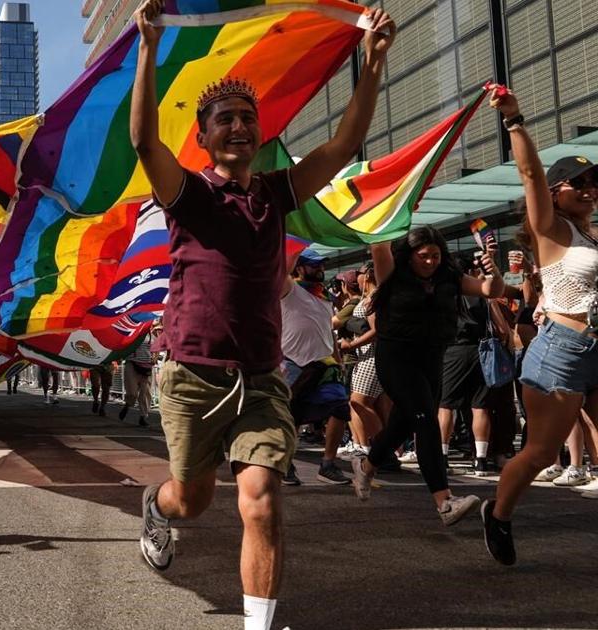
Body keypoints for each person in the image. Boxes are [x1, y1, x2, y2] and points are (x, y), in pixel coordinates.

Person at [129, 1, 393, 626]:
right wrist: (146, 46)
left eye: (248, 117)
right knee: (191, 501)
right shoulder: (188, 194)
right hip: (192, 377)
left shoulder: (278, 192)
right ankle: (157, 508)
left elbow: (345, 143)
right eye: (225, 118)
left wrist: (374, 65)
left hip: (261, 379)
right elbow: (143, 139)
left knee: (260, 500)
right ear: (204, 135)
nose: (239, 126)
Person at [482, 84, 598, 565]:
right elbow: (529, 173)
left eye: (597, 183)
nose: (592, 189)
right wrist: (514, 120)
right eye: (582, 183)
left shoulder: (590, 234)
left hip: (593, 350)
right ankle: (500, 514)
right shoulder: (552, 231)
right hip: (561, 352)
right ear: (556, 193)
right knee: (539, 453)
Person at [351, 226, 503, 525]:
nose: (430, 262)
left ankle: (367, 465)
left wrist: (493, 271)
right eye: (423, 256)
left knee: (403, 422)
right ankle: (445, 502)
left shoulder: (450, 277)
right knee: (425, 419)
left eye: (435, 255)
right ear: (409, 256)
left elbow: (490, 291)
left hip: (431, 357)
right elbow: (379, 246)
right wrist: (386, 214)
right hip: (396, 356)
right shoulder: (392, 273)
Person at [279, 249, 351, 486]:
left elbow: (328, 331)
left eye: (321, 265)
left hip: (324, 364)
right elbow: (280, 266)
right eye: (314, 265)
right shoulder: (289, 289)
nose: (320, 269)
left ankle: (328, 464)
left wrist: (338, 360)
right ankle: (286, 464)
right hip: (292, 363)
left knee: (340, 408)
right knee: (292, 417)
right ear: (299, 268)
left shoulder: (327, 297)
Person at [435, 255, 499, 476]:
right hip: (481, 351)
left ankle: (442, 457)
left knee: (446, 405)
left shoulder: (445, 294)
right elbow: (497, 323)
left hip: (453, 351)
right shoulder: (480, 294)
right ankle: (480, 460)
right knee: (480, 406)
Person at [338, 262, 385, 458]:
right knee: (358, 402)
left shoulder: (373, 299)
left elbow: (376, 331)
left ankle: (384, 449)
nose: (357, 276)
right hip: (365, 356)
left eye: (360, 273)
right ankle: (368, 447)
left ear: (368, 276)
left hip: (370, 357)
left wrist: (351, 346)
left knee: (360, 402)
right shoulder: (368, 298)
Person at [121, 332, 156, 427]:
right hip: (132, 364)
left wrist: (154, 358)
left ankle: (143, 416)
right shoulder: (131, 333)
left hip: (146, 366)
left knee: (145, 393)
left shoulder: (152, 336)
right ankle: (128, 404)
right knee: (132, 392)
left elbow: (156, 349)